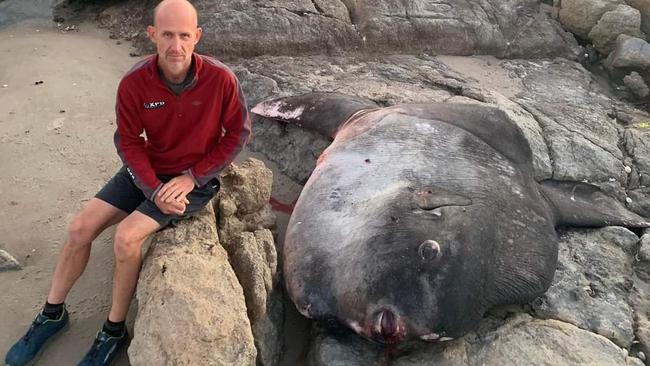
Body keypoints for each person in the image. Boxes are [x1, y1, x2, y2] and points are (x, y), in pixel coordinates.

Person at [5, 0, 251, 365]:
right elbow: (129, 141)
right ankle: (53, 314)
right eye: (167, 35)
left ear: (197, 36)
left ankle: (113, 330)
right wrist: (152, 189)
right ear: (152, 34)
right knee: (79, 229)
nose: (176, 46)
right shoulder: (136, 82)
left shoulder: (220, 79)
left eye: (185, 35)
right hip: (148, 171)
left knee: (126, 237)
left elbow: (237, 134)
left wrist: (192, 177)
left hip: (193, 181)